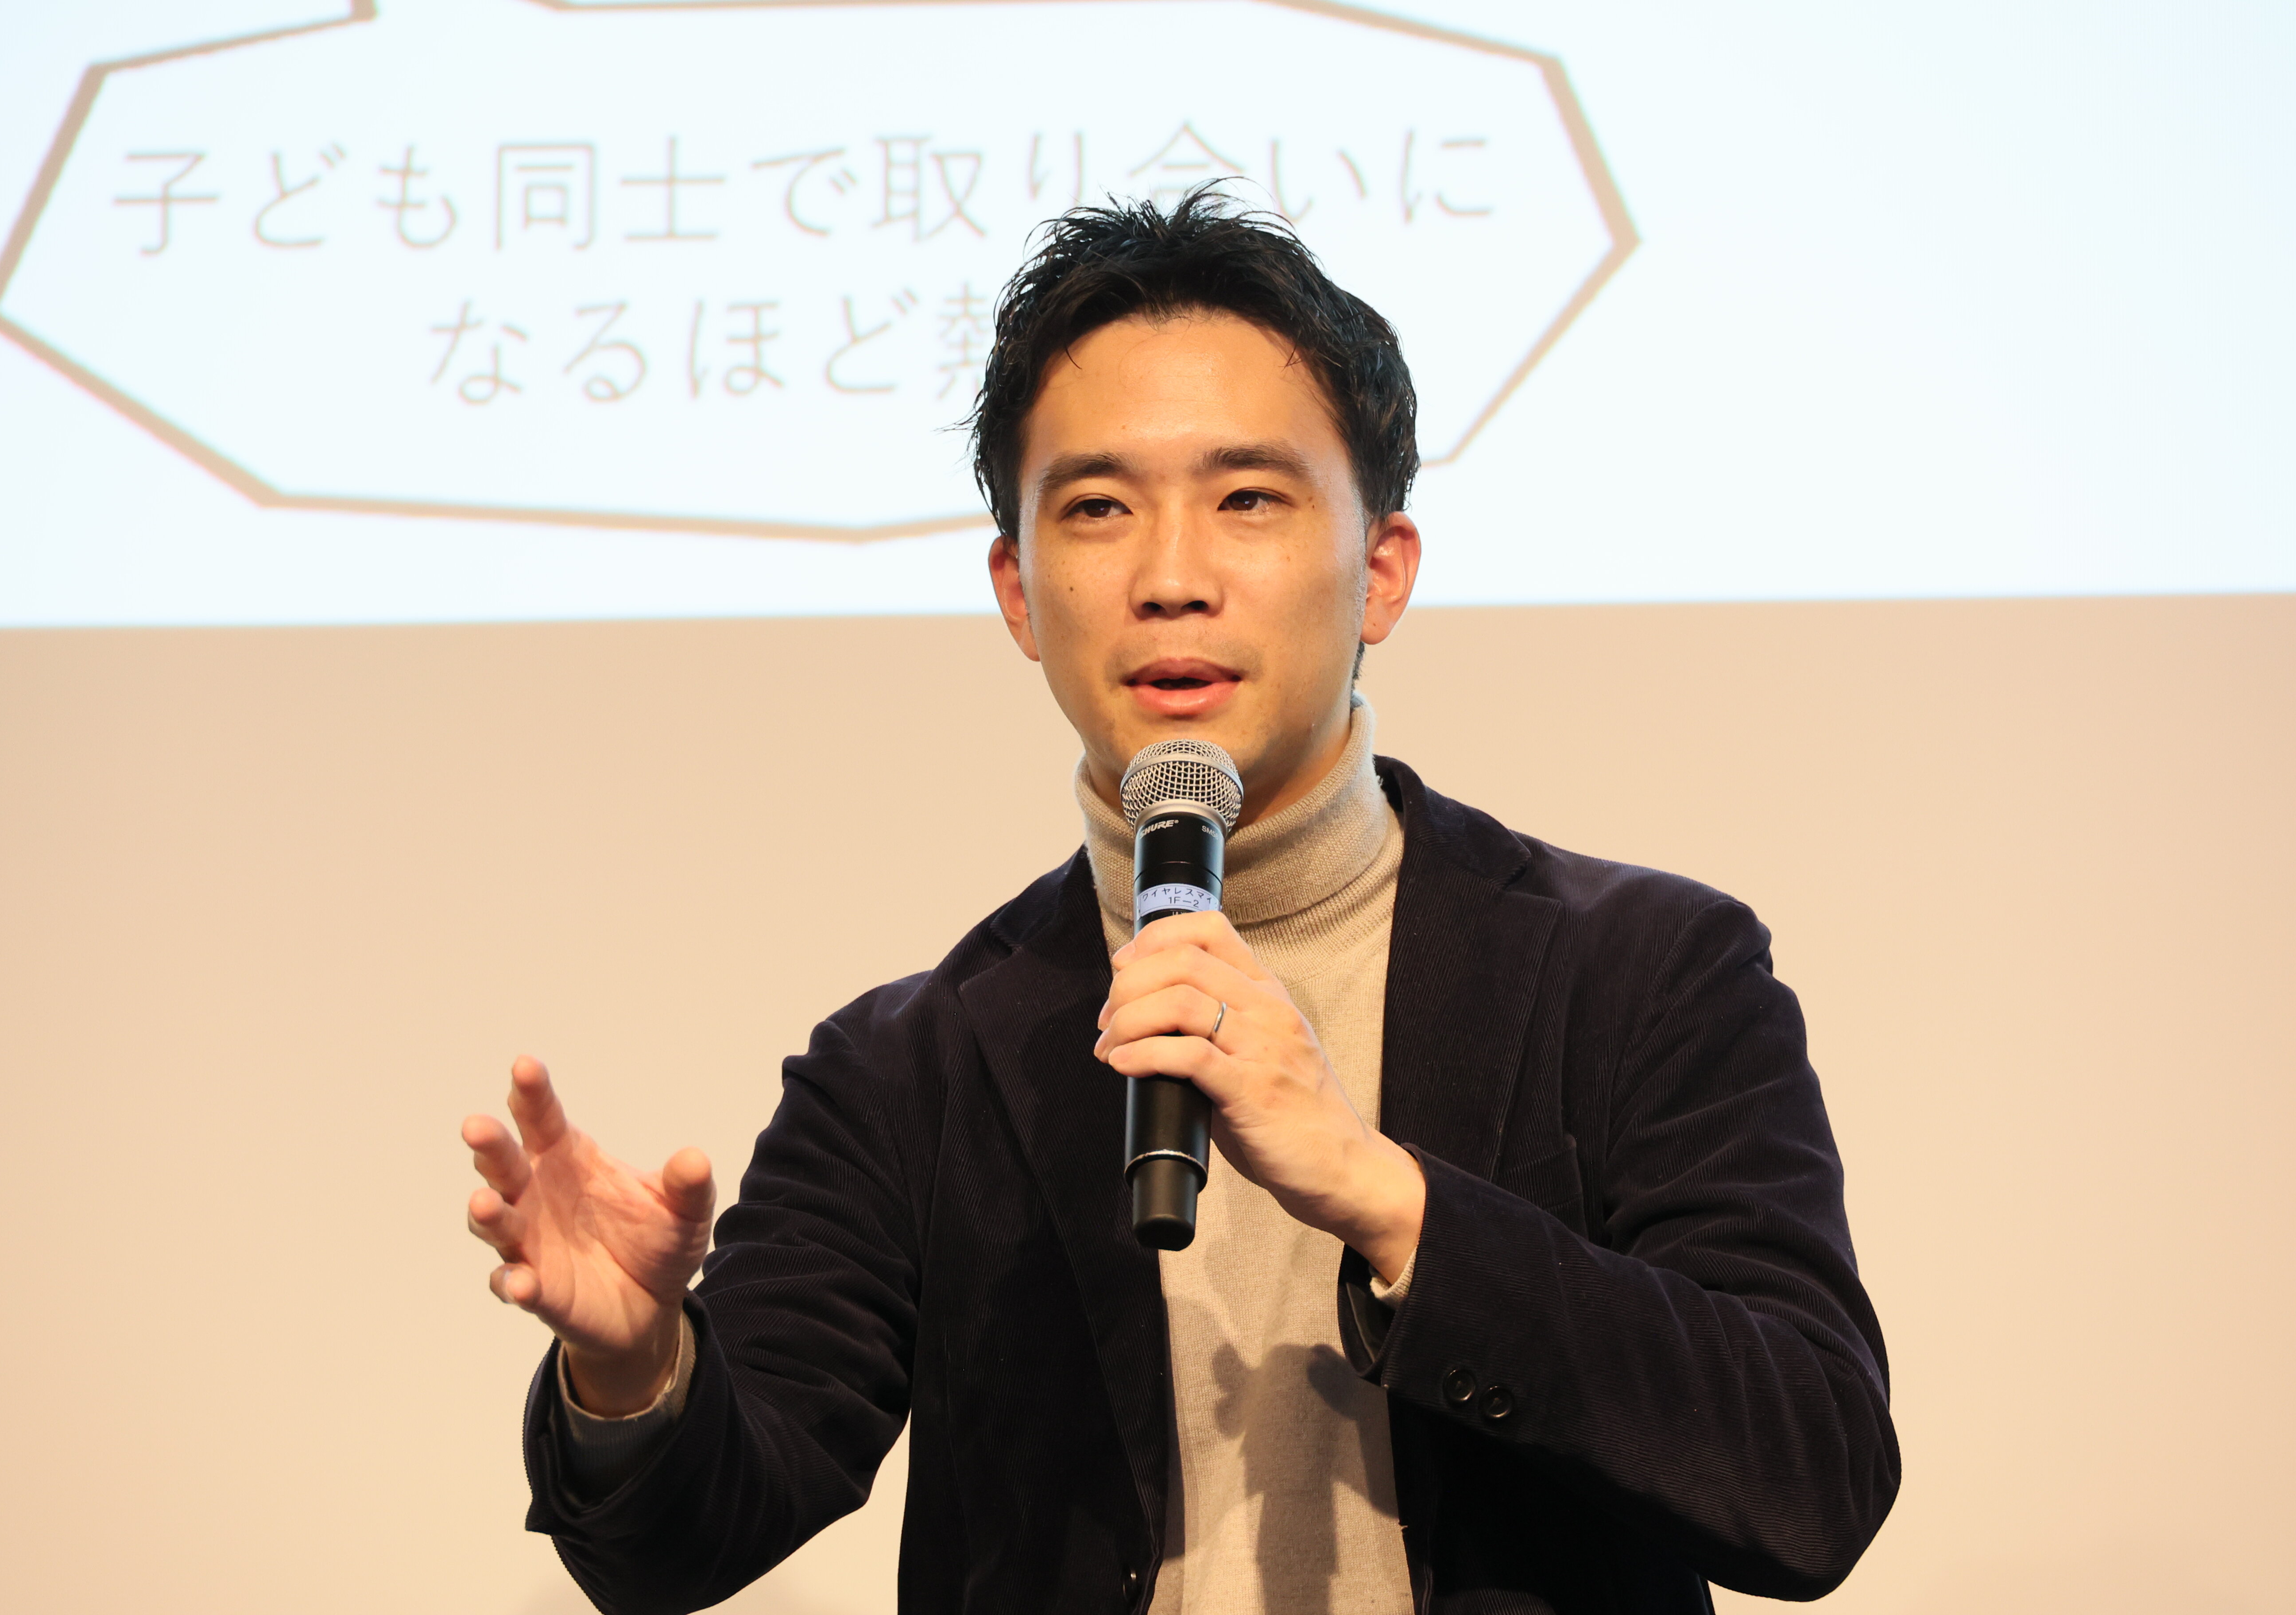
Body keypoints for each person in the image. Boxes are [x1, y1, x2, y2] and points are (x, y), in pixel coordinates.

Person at [460, 190, 1898, 1615]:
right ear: (1018, 595)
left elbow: (1812, 1478)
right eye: (1098, 510)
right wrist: (633, 1369)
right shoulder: (910, 1067)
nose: (1170, 579)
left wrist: (1391, 1198)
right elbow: (686, 1539)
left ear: (1381, 571)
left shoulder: (1644, 973)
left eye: (1248, 500)